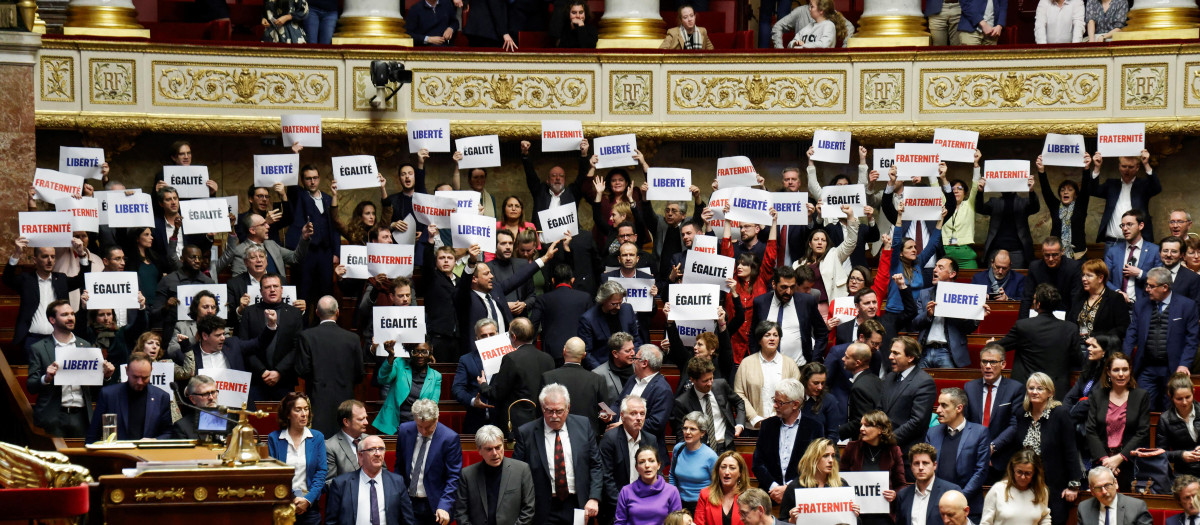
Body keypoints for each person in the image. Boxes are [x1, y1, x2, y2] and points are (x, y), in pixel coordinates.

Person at [512, 384, 602, 525]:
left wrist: (594, 498)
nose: (554, 416)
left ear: (568, 408)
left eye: (559, 411)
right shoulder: (526, 433)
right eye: (549, 411)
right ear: (542, 408)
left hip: (578, 504)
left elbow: (595, 465)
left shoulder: (583, 426)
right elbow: (517, 473)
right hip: (542, 507)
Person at [457, 241, 558, 354]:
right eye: (486, 274)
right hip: (479, 355)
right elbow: (464, 284)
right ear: (474, 279)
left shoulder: (496, 290)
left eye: (490, 273)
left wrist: (545, 258)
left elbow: (519, 276)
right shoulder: (465, 298)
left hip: (505, 352)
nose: (491, 276)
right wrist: (471, 261)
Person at [1125, 267, 1199, 408]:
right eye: (1147, 285)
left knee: (1171, 410)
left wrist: (1184, 364)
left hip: (1173, 368)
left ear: (1165, 287)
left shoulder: (1187, 306)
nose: (1147, 289)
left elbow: (1192, 339)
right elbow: (1131, 333)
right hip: (1147, 368)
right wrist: (1125, 360)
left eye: (1151, 286)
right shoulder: (1141, 305)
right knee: (1141, 407)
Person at [6, 238, 91, 359]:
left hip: (59, 339)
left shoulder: (61, 279)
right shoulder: (26, 280)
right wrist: (17, 253)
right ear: (35, 260)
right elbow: (7, 279)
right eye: (45, 256)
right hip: (32, 339)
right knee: (34, 376)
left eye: (53, 256)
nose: (50, 260)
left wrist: (82, 254)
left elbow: (83, 279)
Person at [1014, 372, 1081, 523]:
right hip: (1027, 484)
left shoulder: (1060, 414)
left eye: (1040, 388)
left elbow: (1070, 449)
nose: (1034, 392)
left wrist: (1073, 485)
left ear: (1050, 392)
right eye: (1031, 388)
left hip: (1054, 485)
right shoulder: (1021, 414)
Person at [294, 296, 362, 437]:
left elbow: (301, 370)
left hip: (318, 401)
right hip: (345, 402)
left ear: (317, 312)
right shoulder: (353, 338)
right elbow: (359, 374)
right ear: (337, 312)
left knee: (319, 443)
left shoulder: (307, 336)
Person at [999, 283, 1082, 397]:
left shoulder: (1023, 326)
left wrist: (991, 344)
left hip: (1029, 391)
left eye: (1034, 299)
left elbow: (1001, 346)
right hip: (1057, 391)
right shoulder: (1070, 328)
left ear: (1038, 304)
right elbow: (1078, 359)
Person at [752, 378, 824, 506]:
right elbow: (758, 463)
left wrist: (788, 489)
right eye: (774, 401)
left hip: (802, 497)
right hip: (769, 496)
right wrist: (774, 488)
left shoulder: (814, 427)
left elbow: (814, 466)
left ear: (795, 404)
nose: (775, 406)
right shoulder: (767, 426)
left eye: (780, 403)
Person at [1086, 352, 1151, 491]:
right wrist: (1106, 460)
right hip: (1101, 461)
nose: (1121, 374)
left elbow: (1142, 432)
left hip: (1128, 463)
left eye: (1125, 369)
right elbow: (1091, 430)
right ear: (1108, 372)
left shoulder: (1141, 396)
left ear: (1130, 371)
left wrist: (1119, 458)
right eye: (1116, 370)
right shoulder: (1098, 395)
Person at [927, 387, 991, 521]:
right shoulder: (932, 433)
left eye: (944, 405)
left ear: (959, 408)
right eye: (939, 405)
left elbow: (981, 471)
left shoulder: (979, 433)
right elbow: (928, 469)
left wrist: (959, 499)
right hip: (938, 506)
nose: (938, 410)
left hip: (968, 506)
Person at [394, 399, 461, 525]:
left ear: (437, 418)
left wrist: (444, 505)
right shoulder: (404, 431)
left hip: (435, 506)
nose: (424, 432)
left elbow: (453, 477)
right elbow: (399, 466)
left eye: (429, 427)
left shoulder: (449, 438)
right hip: (408, 503)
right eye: (420, 426)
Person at [240, 273, 304, 403]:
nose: (272, 290)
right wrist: (262, 371)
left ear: (282, 289)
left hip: (284, 379)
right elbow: (243, 346)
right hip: (256, 379)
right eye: (268, 287)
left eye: (275, 286)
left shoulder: (295, 313)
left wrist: (279, 372)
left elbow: (297, 348)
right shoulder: (249, 312)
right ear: (261, 291)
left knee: (285, 420)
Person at [324, 434, 416, 525]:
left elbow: (407, 519)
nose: (378, 454)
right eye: (371, 449)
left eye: (381, 449)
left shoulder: (397, 481)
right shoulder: (341, 484)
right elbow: (331, 521)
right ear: (360, 455)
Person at [963, 344, 1024, 480]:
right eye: (984, 361)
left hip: (1002, 458)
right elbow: (966, 421)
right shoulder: (970, 387)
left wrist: (992, 447)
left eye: (993, 362)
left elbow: (1014, 425)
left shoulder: (1015, 389)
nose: (988, 366)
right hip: (973, 456)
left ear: (1003, 364)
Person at [455, 425, 537, 525]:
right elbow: (461, 513)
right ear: (479, 450)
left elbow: (528, 509)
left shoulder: (522, 470)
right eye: (489, 449)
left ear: (503, 445)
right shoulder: (467, 475)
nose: (495, 453)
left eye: (498, 447)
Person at [84, 351, 170, 443]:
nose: (140, 382)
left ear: (151, 371)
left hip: (148, 454)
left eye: (145, 377)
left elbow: (169, 432)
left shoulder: (161, 397)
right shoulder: (109, 395)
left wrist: (154, 440)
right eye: (135, 377)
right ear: (127, 370)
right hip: (117, 454)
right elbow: (93, 435)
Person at [267, 392, 326, 525]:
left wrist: (307, 500)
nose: (304, 414)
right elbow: (275, 474)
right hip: (283, 504)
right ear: (288, 414)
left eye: (306, 409)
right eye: (298, 410)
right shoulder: (275, 438)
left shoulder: (317, 438)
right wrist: (294, 498)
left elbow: (321, 472)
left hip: (309, 506)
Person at [750, 266, 828, 364]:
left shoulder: (806, 302)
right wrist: (756, 360)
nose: (789, 292)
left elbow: (822, 333)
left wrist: (814, 360)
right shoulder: (761, 302)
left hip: (800, 366)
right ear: (774, 284)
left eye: (792, 287)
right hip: (767, 366)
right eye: (784, 287)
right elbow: (753, 334)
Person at [286, 162, 339, 308]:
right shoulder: (299, 196)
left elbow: (334, 227)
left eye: (315, 177)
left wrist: (336, 252)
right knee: (303, 292)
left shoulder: (328, 198)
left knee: (326, 293)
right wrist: (294, 155)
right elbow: (291, 186)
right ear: (302, 180)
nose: (312, 181)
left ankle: (324, 327)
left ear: (319, 178)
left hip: (325, 253)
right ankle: (302, 329)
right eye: (308, 178)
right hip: (306, 253)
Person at [914, 257, 984, 368]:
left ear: (952, 274)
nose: (935, 270)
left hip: (948, 352)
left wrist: (973, 316)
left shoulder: (964, 295)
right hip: (925, 350)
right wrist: (928, 314)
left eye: (940, 268)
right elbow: (915, 323)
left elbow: (969, 328)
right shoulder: (924, 294)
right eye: (935, 266)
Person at [599, 395, 657, 523]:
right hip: (616, 506)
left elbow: (655, 475)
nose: (638, 418)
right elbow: (606, 477)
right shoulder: (610, 439)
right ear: (622, 416)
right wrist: (624, 504)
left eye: (642, 414)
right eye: (633, 414)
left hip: (645, 503)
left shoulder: (650, 440)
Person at [734, 322, 802, 428]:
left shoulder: (790, 364)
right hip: (753, 426)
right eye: (767, 335)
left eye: (775, 335)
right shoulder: (746, 363)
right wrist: (754, 418)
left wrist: (779, 416)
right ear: (759, 340)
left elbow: (798, 394)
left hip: (783, 425)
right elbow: (739, 393)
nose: (772, 338)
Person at [879, 336, 938, 457]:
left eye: (896, 353)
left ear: (910, 357)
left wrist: (889, 440)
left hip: (907, 453)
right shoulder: (890, 377)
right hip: (883, 450)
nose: (890, 357)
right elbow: (880, 409)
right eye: (891, 352)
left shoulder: (924, 382)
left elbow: (917, 421)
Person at [672, 357, 745, 454]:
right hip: (700, 451)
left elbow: (739, 402)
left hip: (726, 446)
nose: (710, 383)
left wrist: (740, 424)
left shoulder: (721, 385)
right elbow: (681, 435)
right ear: (692, 380)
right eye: (705, 381)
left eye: (711, 378)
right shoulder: (682, 402)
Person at [543, 337, 610, 437]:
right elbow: (605, 413)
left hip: (556, 436)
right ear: (584, 355)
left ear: (564, 351)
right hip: (588, 437)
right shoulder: (597, 380)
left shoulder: (547, 377)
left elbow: (541, 411)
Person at [1089, 149, 1159, 242]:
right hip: (1112, 242)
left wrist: (1146, 164)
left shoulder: (1143, 185)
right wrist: (1097, 167)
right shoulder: (1111, 184)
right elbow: (1093, 190)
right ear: (1119, 166)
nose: (1126, 170)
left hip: (1137, 242)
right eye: (1124, 166)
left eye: (1130, 167)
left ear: (1137, 167)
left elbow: (1156, 188)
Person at [778, 438, 855, 521]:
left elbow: (856, 522)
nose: (831, 460)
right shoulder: (795, 487)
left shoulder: (841, 485)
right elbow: (782, 521)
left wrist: (854, 515)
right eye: (825, 456)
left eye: (832, 456)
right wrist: (791, 521)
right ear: (813, 458)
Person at [374, 341, 441, 435]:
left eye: (424, 352)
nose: (420, 355)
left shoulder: (436, 376)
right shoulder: (399, 364)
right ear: (410, 352)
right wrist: (391, 356)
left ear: (430, 352)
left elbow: (433, 404)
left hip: (417, 427)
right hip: (392, 423)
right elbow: (382, 379)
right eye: (416, 351)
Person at [618, 345, 674, 457]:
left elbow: (655, 424)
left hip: (647, 450)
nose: (633, 361)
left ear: (644, 363)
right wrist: (611, 416)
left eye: (636, 358)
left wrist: (623, 425)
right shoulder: (632, 379)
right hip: (622, 443)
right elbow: (618, 403)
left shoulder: (663, 389)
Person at [975, 172, 1039, 269]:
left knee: (1016, 280)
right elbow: (979, 209)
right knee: (994, 281)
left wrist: (1031, 190)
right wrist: (980, 191)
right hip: (995, 250)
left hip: (1017, 251)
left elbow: (1035, 208)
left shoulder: (1023, 202)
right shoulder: (994, 202)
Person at [794, 206, 858, 302]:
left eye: (823, 240)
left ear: (826, 244)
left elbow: (851, 241)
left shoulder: (834, 255)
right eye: (816, 240)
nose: (820, 242)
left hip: (829, 306)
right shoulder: (797, 264)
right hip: (806, 306)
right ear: (810, 244)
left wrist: (851, 217)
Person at [220, 213, 309, 281]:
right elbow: (238, 282)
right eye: (263, 224)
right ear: (252, 230)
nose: (268, 226)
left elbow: (295, 257)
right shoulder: (240, 251)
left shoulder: (272, 245)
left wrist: (304, 238)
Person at [1036, 154, 1092, 257]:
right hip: (1057, 256)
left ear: (1075, 194)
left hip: (1078, 255)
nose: (1066, 192)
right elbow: (1046, 190)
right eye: (1063, 190)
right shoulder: (1055, 207)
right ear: (1060, 194)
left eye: (1070, 190)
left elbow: (1085, 188)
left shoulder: (1080, 206)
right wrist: (1041, 171)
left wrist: (1086, 168)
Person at [579, 280, 643, 368]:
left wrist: (633, 360)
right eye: (614, 304)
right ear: (603, 300)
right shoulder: (588, 319)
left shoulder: (627, 310)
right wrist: (601, 372)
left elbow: (636, 340)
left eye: (620, 303)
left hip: (629, 365)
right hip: (603, 366)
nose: (618, 307)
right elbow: (587, 353)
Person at [895, 442, 962, 525]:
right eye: (916, 463)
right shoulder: (903, 495)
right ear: (911, 467)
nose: (920, 468)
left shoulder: (951, 491)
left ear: (934, 465)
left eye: (925, 463)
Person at [616, 445, 684, 525]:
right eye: (642, 462)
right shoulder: (626, 491)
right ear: (637, 468)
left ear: (659, 465)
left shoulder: (672, 491)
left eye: (651, 461)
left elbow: (677, 523)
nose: (647, 466)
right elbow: (620, 523)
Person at [153, 244, 214, 333]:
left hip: (204, 332)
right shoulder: (167, 281)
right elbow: (154, 313)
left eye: (199, 258)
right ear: (182, 259)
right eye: (192, 257)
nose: (197, 261)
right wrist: (166, 307)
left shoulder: (209, 283)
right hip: (174, 332)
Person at [979, 449, 1050, 525]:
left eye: (1028, 473)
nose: (1023, 477)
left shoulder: (1041, 491)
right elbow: (985, 522)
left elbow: (1044, 517)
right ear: (1013, 470)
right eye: (1019, 472)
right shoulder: (998, 489)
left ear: (1035, 473)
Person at [1105, 209, 1161, 303]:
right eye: (1122, 225)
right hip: (1117, 304)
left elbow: (1160, 280)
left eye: (1129, 224)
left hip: (1145, 305)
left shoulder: (1155, 250)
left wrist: (1140, 274)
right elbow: (1104, 279)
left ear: (1141, 226)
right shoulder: (1113, 252)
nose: (1125, 228)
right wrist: (1117, 292)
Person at [1020, 236, 1084, 318]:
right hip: (1041, 316)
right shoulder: (1035, 267)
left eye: (1055, 255)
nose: (1050, 259)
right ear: (1042, 252)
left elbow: (1076, 300)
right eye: (1047, 255)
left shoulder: (1073, 268)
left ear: (1062, 252)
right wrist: (1022, 324)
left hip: (1067, 315)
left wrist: (1071, 327)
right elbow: (1027, 298)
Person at [1070, 258, 1131, 338]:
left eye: (1089, 276)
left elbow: (1123, 328)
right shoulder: (1080, 296)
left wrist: (1097, 337)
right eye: (1083, 275)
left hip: (1101, 346)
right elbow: (1070, 321)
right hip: (1079, 345)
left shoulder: (1114, 298)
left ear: (1100, 278)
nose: (1084, 279)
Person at [671, 412, 718, 514]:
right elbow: (672, 475)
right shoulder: (678, 449)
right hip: (679, 503)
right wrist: (674, 496)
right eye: (685, 428)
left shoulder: (711, 456)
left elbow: (717, 484)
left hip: (702, 505)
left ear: (702, 433)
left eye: (692, 429)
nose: (687, 432)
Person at [835, 342, 884, 439]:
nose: (843, 359)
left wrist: (836, 432)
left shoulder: (859, 388)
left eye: (847, 357)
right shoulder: (876, 380)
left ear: (858, 363)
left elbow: (861, 421)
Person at [1076, 466, 1153, 525]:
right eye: (1098, 488)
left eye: (1107, 485)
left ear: (1116, 483)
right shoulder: (1084, 508)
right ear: (1092, 490)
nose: (1104, 492)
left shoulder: (1137, 507)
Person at [1158, 373, 1200, 479]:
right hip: (1183, 473)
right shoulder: (1165, 419)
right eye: (1179, 399)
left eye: (1188, 397)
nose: (1185, 402)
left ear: (1193, 392)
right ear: (1171, 396)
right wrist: (1181, 455)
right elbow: (1161, 453)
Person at [771, 0, 856, 48]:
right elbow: (778, 26)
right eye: (810, 6)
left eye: (812, 7)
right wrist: (780, 50)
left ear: (821, 10)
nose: (810, 9)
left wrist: (844, 50)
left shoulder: (829, 13)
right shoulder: (801, 12)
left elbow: (849, 27)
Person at [696, 451, 750, 525]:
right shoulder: (705, 494)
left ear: (740, 473)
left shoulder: (750, 496)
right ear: (718, 471)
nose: (727, 472)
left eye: (732, 468)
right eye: (723, 467)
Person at [325, 399, 368, 483]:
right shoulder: (330, 446)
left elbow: (383, 472)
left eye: (366, 418)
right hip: (347, 495)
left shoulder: (371, 441)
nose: (366, 422)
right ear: (346, 422)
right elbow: (329, 482)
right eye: (361, 419)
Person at [798, 362, 842, 441]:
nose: (820, 387)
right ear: (805, 381)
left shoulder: (830, 401)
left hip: (821, 449)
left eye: (823, 383)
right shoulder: (795, 398)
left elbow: (833, 435)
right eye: (816, 383)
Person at [172, 375, 226, 439]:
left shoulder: (230, 419)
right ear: (193, 399)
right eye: (205, 394)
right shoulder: (182, 427)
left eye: (213, 392)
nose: (211, 397)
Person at [595, 332, 638, 408]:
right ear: (615, 353)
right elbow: (599, 402)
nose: (633, 353)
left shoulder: (638, 368)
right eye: (628, 351)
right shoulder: (599, 374)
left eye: (633, 349)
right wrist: (609, 415)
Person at [1159, 236, 1200, 302]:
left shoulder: (1193, 278)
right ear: (1159, 253)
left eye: (1174, 251)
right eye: (1165, 251)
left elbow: (1195, 306)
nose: (1169, 254)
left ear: (1182, 255)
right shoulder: (1152, 274)